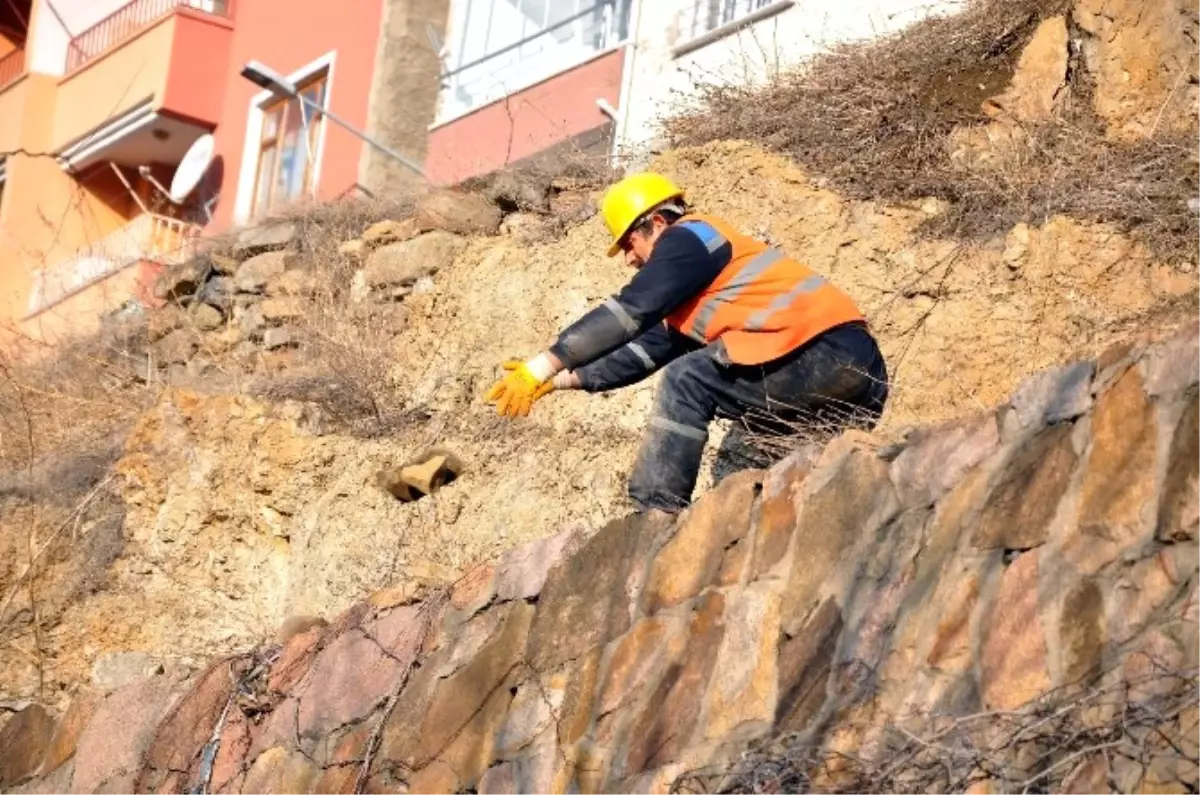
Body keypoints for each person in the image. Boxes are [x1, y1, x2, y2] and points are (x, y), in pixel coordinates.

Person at [484, 172, 889, 513]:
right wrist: (558, 381)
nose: (629, 258)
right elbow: (641, 353)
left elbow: (632, 310)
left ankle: (655, 514)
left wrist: (543, 363)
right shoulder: (695, 292)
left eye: (629, 243)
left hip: (830, 353)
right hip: (848, 374)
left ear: (657, 222)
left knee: (687, 379)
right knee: (754, 467)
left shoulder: (691, 236)